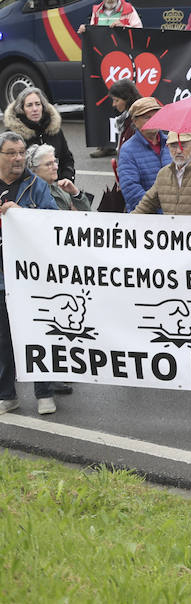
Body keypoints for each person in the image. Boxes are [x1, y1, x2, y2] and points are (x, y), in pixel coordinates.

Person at [0, 131, 58, 416]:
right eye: (11, 153)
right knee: (4, 338)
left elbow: (52, 223)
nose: (18, 158)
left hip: (30, 275)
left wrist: (20, 212)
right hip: (2, 277)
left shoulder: (36, 186)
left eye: (22, 152)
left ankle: (44, 392)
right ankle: (7, 394)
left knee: (38, 331)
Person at [131, 131, 191, 214]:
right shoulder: (163, 174)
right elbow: (146, 205)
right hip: (170, 231)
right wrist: (126, 223)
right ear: (168, 147)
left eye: (183, 145)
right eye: (174, 145)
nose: (178, 151)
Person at [5, 86, 75, 185]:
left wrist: (67, 178)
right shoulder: (12, 137)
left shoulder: (54, 130)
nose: (35, 109)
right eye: (29, 105)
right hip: (26, 192)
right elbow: (7, 171)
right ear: (21, 109)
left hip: (57, 188)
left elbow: (67, 159)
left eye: (38, 104)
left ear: (43, 106)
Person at [118, 97, 170, 212]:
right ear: (135, 121)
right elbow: (131, 190)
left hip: (174, 215)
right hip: (145, 217)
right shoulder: (128, 150)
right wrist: (160, 209)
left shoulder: (171, 144)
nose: (153, 121)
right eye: (147, 117)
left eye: (156, 116)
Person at [26, 144, 89, 212]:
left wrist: (76, 194)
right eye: (49, 164)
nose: (56, 167)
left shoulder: (62, 190)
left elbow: (88, 216)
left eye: (55, 162)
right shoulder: (26, 194)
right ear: (33, 170)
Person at [90, 77, 141, 159]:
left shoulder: (137, 122)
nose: (114, 104)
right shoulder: (127, 118)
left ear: (127, 99)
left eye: (116, 100)